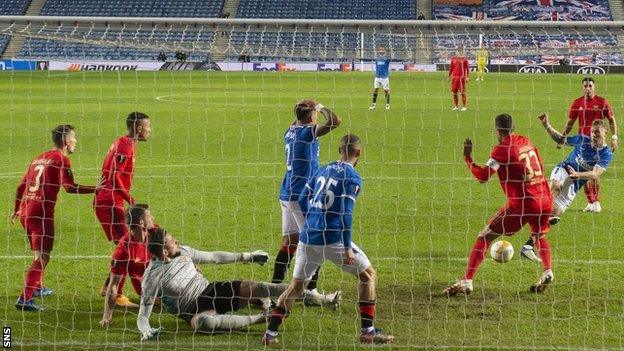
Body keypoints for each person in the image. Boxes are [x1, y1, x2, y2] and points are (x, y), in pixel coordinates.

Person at [263, 134, 394, 346]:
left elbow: (303, 198)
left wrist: (311, 219)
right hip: (332, 238)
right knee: (368, 276)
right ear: (358, 153)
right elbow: (346, 213)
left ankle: (270, 334)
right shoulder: (352, 177)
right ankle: (368, 331)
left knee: (296, 288)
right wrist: (347, 248)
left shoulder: (321, 169)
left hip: (308, 237)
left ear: (339, 150)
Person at [136, 228, 340, 340]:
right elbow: (143, 315)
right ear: (163, 251)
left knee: (256, 287)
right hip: (192, 310)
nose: (177, 241)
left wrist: (247, 256)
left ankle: (322, 298)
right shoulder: (152, 277)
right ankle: (261, 318)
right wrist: (145, 330)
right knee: (204, 325)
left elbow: (214, 256)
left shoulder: (184, 252)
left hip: (210, 290)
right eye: (173, 241)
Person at [443, 114, 554, 296]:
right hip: (545, 198)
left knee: (485, 236)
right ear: (513, 127)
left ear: (497, 131)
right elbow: (540, 165)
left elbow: (483, 176)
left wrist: (467, 158)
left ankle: (467, 281)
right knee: (539, 235)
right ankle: (548, 271)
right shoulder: (525, 140)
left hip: (524, 203)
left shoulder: (501, 150)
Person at [12, 125, 96, 311]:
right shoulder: (61, 159)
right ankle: (25, 299)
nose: (76, 142)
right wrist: (96, 188)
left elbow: (20, 187)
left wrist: (16, 209)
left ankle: (38, 287)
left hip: (26, 211)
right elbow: (69, 187)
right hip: (41, 214)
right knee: (43, 257)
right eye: (74, 138)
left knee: (37, 252)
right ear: (66, 141)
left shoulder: (38, 157)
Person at [271, 99, 341, 294]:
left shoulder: (290, 131)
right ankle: (310, 289)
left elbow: (298, 119)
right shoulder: (306, 133)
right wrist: (319, 106)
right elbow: (335, 121)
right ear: (311, 117)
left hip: (287, 192)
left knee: (289, 241)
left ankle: (274, 286)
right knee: (315, 240)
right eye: (314, 115)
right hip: (302, 195)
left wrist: (302, 109)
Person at [521, 116, 613, 262]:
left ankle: (527, 247)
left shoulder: (606, 154)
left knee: (555, 212)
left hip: (575, 184)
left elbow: (595, 174)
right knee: (556, 187)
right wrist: (547, 125)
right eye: (592, 132)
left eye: (597, 133)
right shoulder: (583, 140)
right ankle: (532, 208)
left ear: (605, 132)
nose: (593, 135)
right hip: (564, 169)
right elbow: (560, 139)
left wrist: (577, 174)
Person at [94, 112, 152, 308]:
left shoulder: (125, 143)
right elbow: (114, 176)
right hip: (110, 202)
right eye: (148, 126)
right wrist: (130, 200)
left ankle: (107, 288)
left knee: (126, 245)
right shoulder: (125, 145)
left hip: (110, 200)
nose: (150, 130)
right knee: (128, 247)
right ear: (138, 128)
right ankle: (116, 294)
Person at [559, 77, 617, 213]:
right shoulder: (577, 103)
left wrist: (614, 137)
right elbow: (570, 122)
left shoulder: (602, 102)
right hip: (583, 144)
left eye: (590, 86)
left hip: (597, 144)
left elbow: (611, 119)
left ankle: (595, 201)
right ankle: (592, 202)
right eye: (585, 86)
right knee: (583, 172)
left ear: (594, 87)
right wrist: (562, 138)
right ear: (582, 87)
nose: (588, 88)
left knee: (592, 173)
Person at [100, 204, 154, 326]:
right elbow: (113, 285)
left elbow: (175, 250)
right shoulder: (123, 250)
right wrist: (107, 316)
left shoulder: (155, 232)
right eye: (149, 216)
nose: (153, 218)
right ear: (141, 222)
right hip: (149, 290)